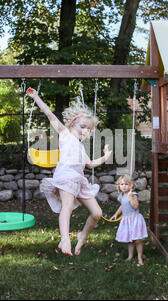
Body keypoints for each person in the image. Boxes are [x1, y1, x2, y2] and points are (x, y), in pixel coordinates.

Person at [26, 87, 112, 257]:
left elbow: (89, 164)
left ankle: (81, 236)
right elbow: (50, 115)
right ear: (72, 124)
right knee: (67, 207)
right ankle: (65, 239)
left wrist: (105, 156)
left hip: (79, 181)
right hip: (65, 177)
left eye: (88, 129)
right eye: (83, 127)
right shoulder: (65, 134)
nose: (85, 131)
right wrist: (36, 97)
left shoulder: (81, 147)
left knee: (97, 213)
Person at [110, 174, 148, 266]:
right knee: (130, 240)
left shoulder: (133, 195)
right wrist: (116, 214)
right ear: (119, 186)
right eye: (122, 184)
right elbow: (122, 206)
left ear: (130, 185)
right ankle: (130, 256)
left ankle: (139, 257)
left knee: (138, 240)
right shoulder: (122, 196)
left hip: (135, 219)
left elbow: (135, 206)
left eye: (126, 184)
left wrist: (131, 197)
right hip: (126, 220)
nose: (124, 186)